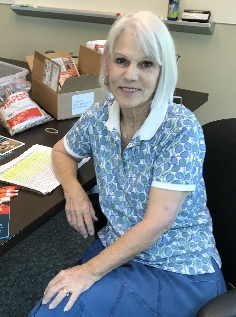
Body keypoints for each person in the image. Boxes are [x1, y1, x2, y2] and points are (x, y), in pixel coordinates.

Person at [29, 11, 226, 317]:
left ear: (163, 71)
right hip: (120, 250)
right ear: (107, 64)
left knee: (61, 307)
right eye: (122, 61)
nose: (130, 74)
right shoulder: (100, 115)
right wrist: (74, 190)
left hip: (177, 269)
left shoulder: (180, 129)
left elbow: (156, 222)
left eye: (146, 64)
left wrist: (90, 272)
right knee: (58, 299)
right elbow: (61, 151)